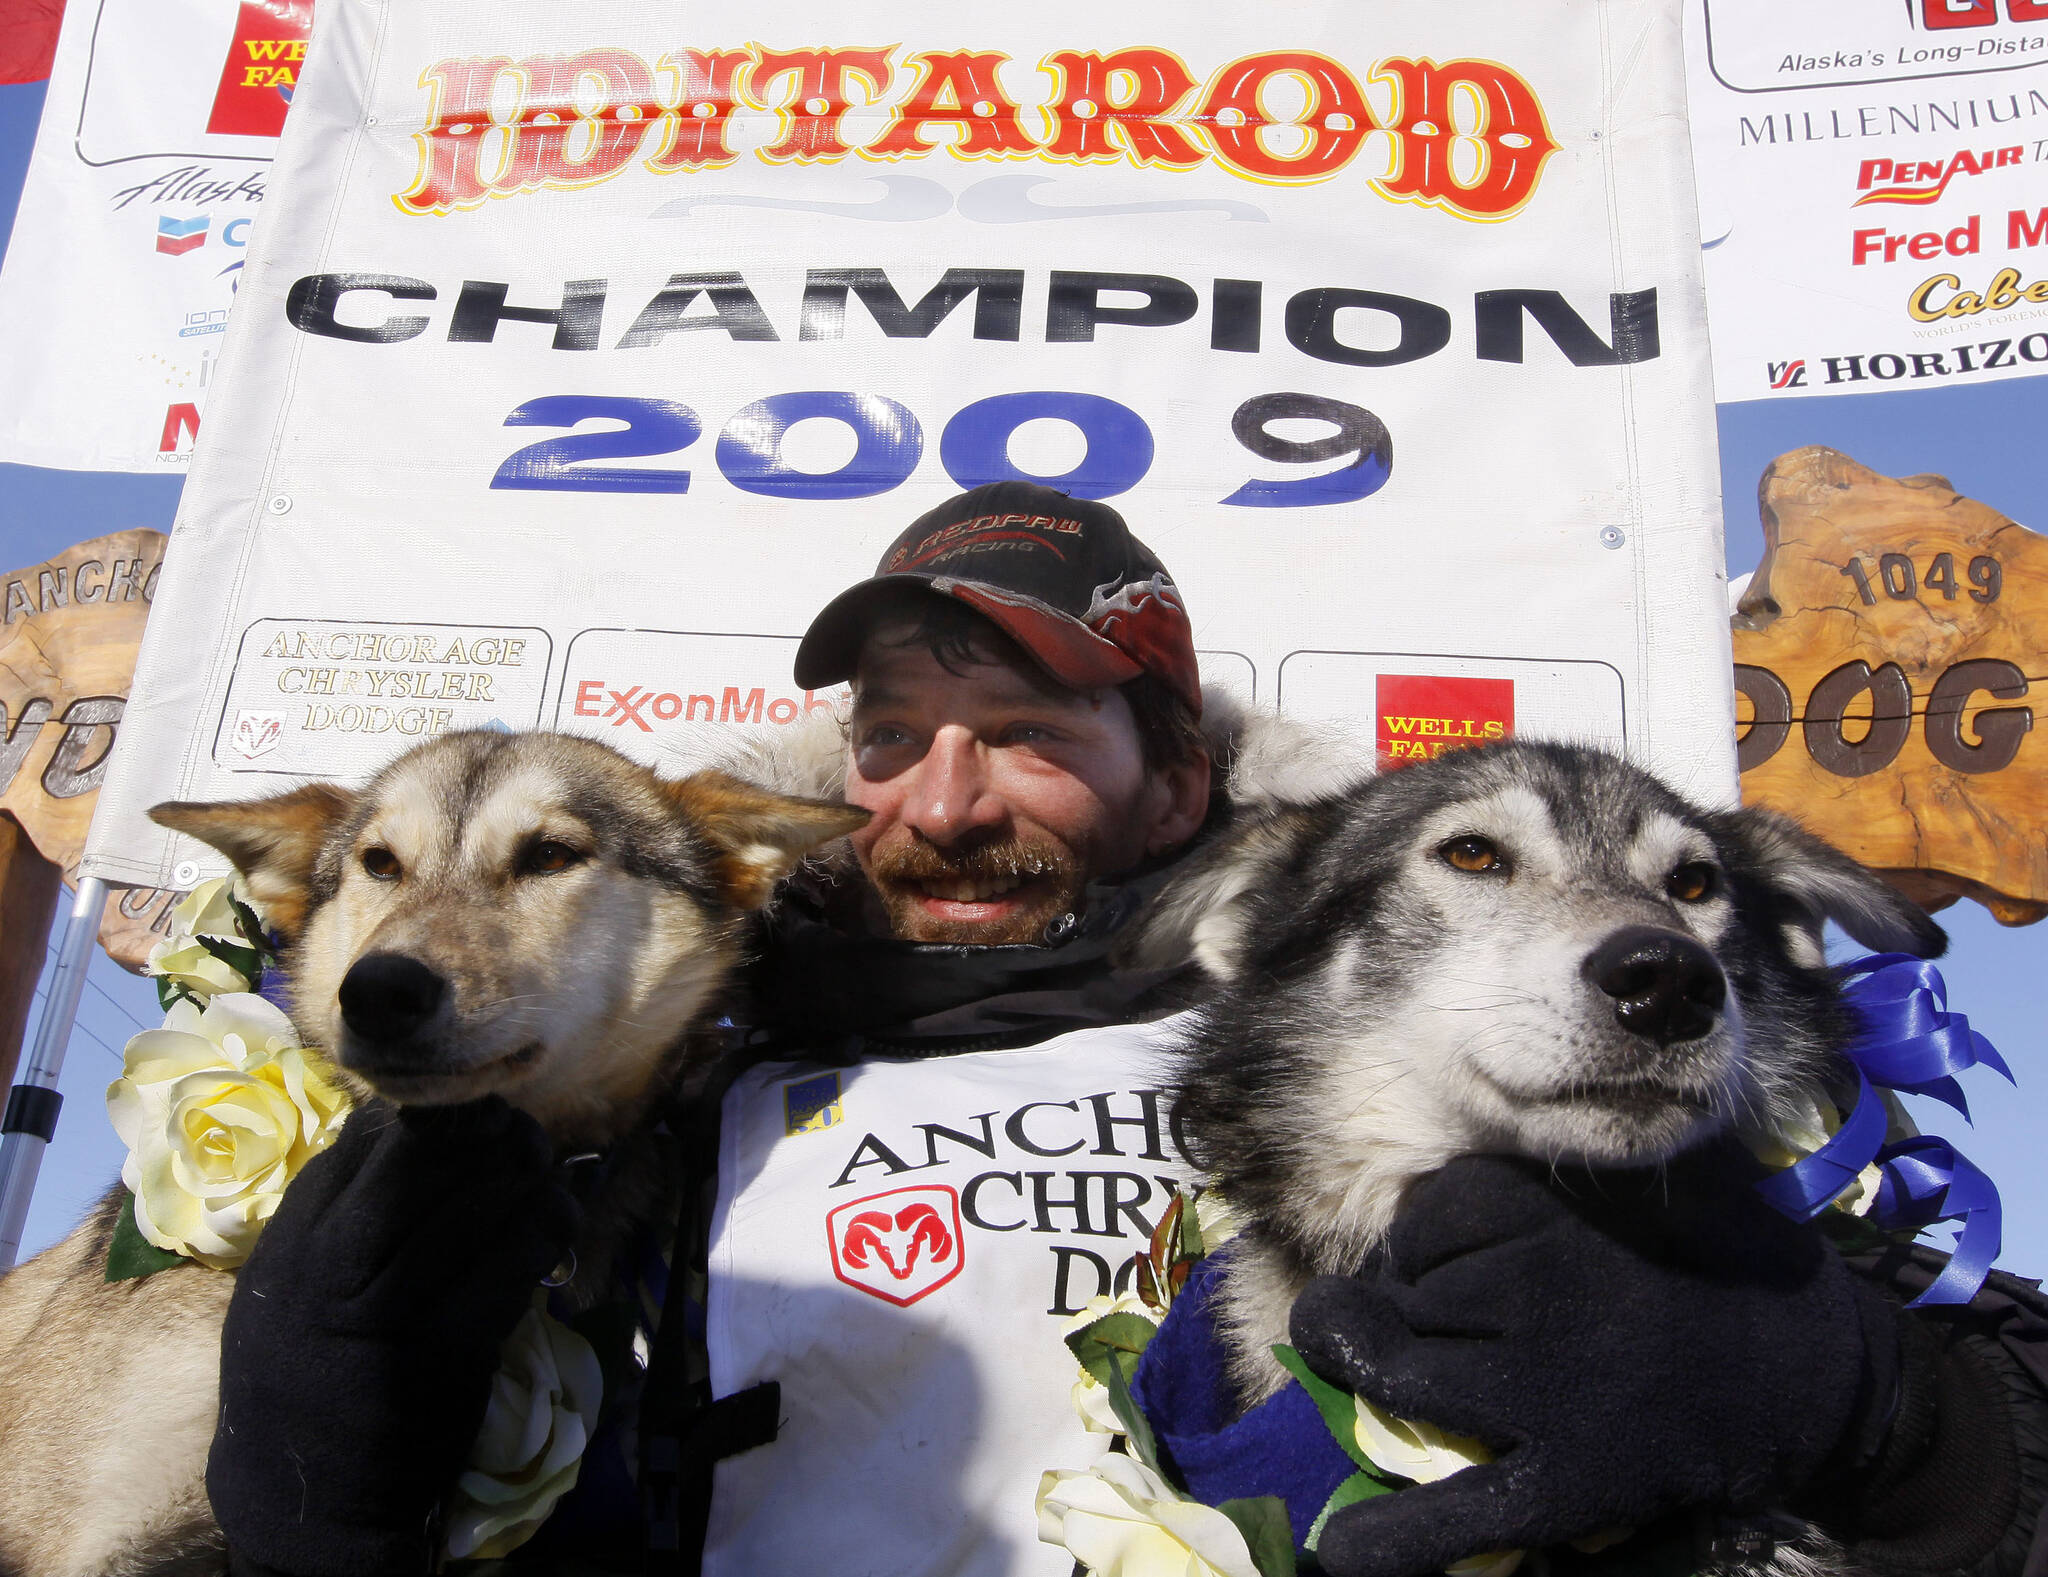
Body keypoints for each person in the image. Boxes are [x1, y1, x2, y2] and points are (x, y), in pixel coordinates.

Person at [207, 482, 2048, 1577]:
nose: (936, 801)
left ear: (1178, 776)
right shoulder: (642, 1066)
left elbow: (1992, 1403)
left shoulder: (1440, 1003)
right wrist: (325, 1490)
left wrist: (1883, 1417)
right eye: (886, 738)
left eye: (1020, 731)